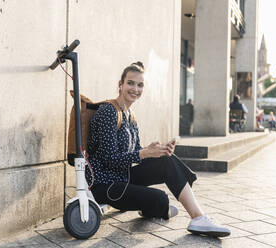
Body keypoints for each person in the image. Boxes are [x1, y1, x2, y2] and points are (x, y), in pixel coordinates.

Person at [86, 62, 230, 237]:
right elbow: (109, 158)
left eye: (140, 85)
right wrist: (144, 153)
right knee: (160, 199)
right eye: (130, 83)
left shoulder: (131, 117)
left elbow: (135, 153)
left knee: (166, 160)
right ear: (120, 84)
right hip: (105, 184)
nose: (135, 89)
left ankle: (198, 218)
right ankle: (151, 204)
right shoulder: (108, 111)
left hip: (123, 177)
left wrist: (155, 150)